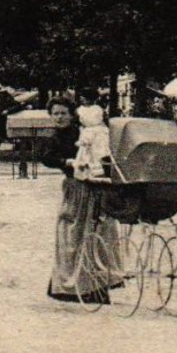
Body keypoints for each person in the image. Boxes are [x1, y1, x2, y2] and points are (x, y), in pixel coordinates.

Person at [41, 100, 120, 305]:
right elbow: (46, 157)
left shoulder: (85, 131)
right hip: (75, 187)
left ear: (72, 115)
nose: (59, 117)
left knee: (96, 234)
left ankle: (95, 285)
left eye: (63, 113)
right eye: (55, 114)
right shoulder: (54, 138)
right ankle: (69, 284)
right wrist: (66, 162)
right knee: (71, 234)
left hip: (94, 184)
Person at [72, 104, 112, 181]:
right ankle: (99, 171)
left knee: (89, 158)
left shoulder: (89, 130)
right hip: (102, 147)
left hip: (92, 148)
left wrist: (79, 143)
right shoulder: (103, 128)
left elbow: (86, 140)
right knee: (100, 157)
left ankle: (88, 172)